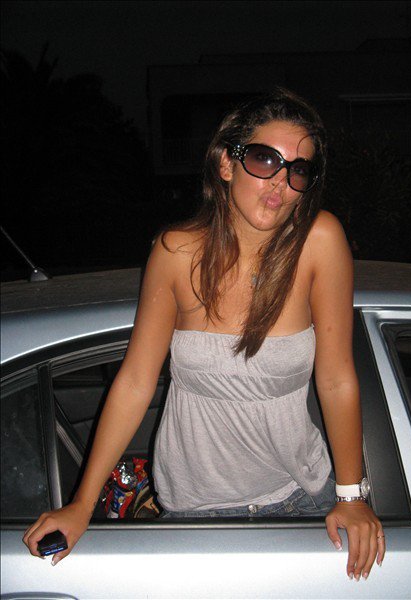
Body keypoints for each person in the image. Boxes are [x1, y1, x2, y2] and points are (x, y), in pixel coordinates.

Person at [23, 87, 385, 580]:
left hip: (302, 498)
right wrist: (82, 504)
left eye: (298, 170)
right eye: (264, 159)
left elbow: (338, 378)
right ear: (226, 163)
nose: (281, 183)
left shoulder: (319, 241)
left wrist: (352, 497)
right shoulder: (176, 252)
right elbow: (135, 381)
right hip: (196, 510)